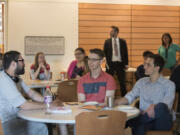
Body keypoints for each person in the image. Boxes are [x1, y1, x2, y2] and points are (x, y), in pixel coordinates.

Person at [115, 54, 175, 135]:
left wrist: (154, 107)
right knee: (140, 127)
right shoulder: (141, 82)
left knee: (162, 106)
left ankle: (132, 121)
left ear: (157, 68)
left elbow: (166, 107)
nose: (144, 67)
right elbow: (130, 96)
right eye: (144, 64)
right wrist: (114, 102)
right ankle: (136, 121)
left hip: (161, 121)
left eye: (148, 65)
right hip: (145, 121)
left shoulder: (169, 84)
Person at [0, 51, 48, 135]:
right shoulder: (4, 80)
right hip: (8, 123)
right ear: (13, 64)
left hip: (18, 116)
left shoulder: (16, 78)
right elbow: (24, 105)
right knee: (40, 127)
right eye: (21, 60)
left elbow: (31, 93)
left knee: (43, 120)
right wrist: (48, 105)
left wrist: (47, 100)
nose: (24, 63)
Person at [104, 26, 128, 96]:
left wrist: (126, 64)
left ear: (116, 32)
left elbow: (125, 53)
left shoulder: (122, 41)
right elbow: (104, 53)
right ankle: (107, 97)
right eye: (110, 31)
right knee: (108, 82)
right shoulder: (107, 42)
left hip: (120, 64)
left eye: (112, 31)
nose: (110, 32)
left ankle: (124, 98)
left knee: (122, 82)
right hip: (110, 65)